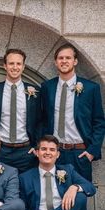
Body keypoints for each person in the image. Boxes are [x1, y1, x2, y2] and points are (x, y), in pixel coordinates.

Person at [15, 135, 96, 210]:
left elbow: (90, 188)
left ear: (58, 154)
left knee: (80, 197)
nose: (48, 152)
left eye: (52, 150)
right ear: (37, 152)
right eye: (44, 149)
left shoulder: (68, 170)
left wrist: (74, 187)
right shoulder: (25, 178)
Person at [41, 43, 105, 181]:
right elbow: (42, 119)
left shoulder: (90, 88)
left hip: (80, 153)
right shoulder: (47, 87)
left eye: (68, 58)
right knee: (54, 194)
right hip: (54, 152)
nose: (64, 61)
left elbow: (99, 122)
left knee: (80, 196)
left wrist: (91, 151)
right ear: (56, 62)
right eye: (60, 58)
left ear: (75, 61)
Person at [0, 49, 41, 173]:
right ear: (5, 66)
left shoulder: (36, 92)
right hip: (2, 150)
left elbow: (40, 120)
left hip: (26, 151)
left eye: (18, 64)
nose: (15, 67)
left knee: (25, 189)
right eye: (11, 63)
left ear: (23, 67)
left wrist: (36, 146)